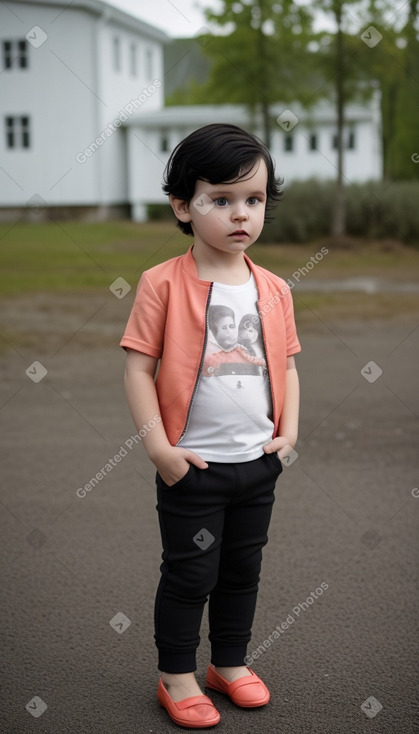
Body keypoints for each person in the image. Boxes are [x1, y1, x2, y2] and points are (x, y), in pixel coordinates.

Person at [121, 123, 301, 729]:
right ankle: (176, 676)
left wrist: (289, 433)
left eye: (253, 200)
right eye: (220, 200)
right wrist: (160, 450)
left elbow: (289, 366)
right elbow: (138, 370)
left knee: (241, 569)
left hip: (257, 465)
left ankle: (230, 662)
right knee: (191, 572)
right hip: (192, 467)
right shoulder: (161, 284)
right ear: (182, 206)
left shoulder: (274, 288)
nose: (240, 214)